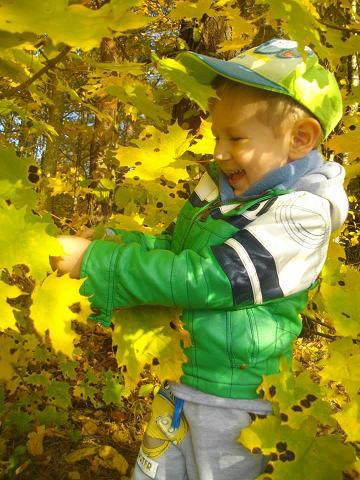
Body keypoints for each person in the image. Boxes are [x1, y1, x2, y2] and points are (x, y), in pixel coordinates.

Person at [53, 38, 348, 480]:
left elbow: (208, 278)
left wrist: (96, 262)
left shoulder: (301, 217)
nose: (219, 152)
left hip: (235, 404)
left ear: (299, 138)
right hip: (180, 380)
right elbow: (176, 251)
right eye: (217, 136)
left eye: (236, 137)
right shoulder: (220, 191)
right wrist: (115, 241)